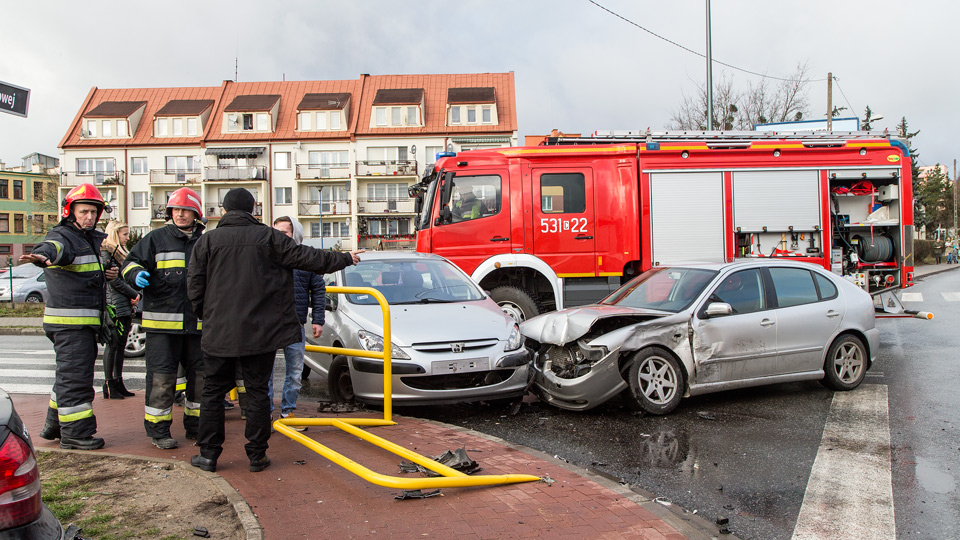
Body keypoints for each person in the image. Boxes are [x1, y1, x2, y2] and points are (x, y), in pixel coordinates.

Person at [186, 188, 362, 473]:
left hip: (219, 332)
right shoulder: (269, 238)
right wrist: (344, 258)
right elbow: (309, 259)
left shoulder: (207, 242)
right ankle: (257, 455)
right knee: (257, 392)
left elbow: (194, 286)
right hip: (260, 333)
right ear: (253, 209)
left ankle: (208, 455)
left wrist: (207, 315)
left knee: (213, 393)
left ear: (224, 209)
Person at [20, 183, 115, 450]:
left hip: (79, 323)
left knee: (67, 376)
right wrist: (41, 256)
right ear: (70, 211)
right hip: (71, 324)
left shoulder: (87, 238)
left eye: (94, 212)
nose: (89, 217)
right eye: (84, 211)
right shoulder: (63, 236)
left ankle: (53, 426)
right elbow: (53, 248)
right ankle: (75, 434)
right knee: (76, 380)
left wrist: (108, 273)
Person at [121, 187, 205, 450]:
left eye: (186, 210)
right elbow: (130, 264)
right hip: (162, 328)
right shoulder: (155, 239)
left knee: (201, 380)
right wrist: (136, 275)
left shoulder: (205, 242)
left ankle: (197, 427)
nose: (180, 214)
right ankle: (159, 431)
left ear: (196, 213)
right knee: (161, 380)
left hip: (198, 326)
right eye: (176, 210)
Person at [270, 216, 326, 431]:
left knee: (294, 372)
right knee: (265, 373)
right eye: (277, 231)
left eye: (285, 232)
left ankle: (288, 412)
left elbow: (318, 290)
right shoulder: (267, 258)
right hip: (270, 325)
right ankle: (263, 414)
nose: (280, 235)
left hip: (294, 324)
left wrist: (318, 320)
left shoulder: (305, 259)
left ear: (296, 235)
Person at [100, 220, 140, 399]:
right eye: (124, 234)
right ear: (115, 234)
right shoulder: (106, 253)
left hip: (123, 304)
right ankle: (110, 384)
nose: (127, 237)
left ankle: (118, 382)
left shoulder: (119, 253)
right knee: (113, 344)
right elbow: (113, 280)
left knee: (120, 345)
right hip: (114, 305)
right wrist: (134, 293)